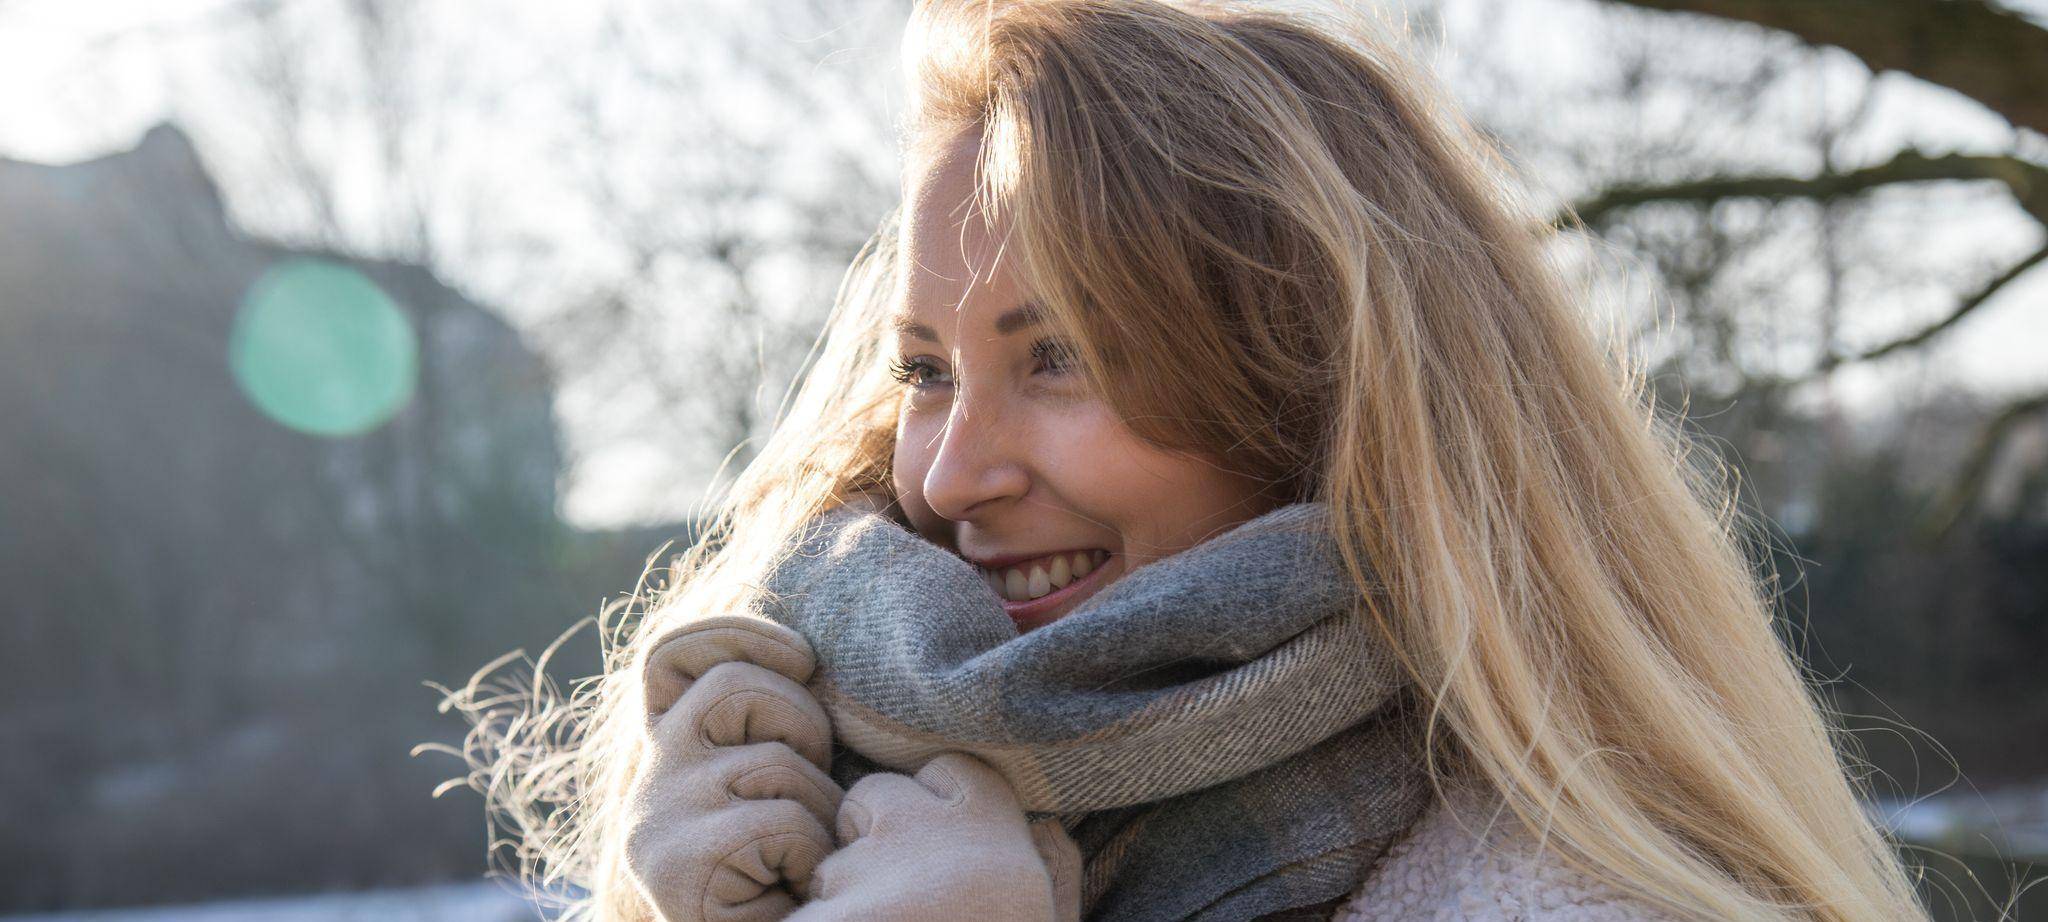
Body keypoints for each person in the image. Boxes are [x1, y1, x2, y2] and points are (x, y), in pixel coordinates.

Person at [436, 1, 1932, 919]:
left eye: (1063, 355)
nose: (950, 474)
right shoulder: (807, 808)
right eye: (925, 371)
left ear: (1324, 400)